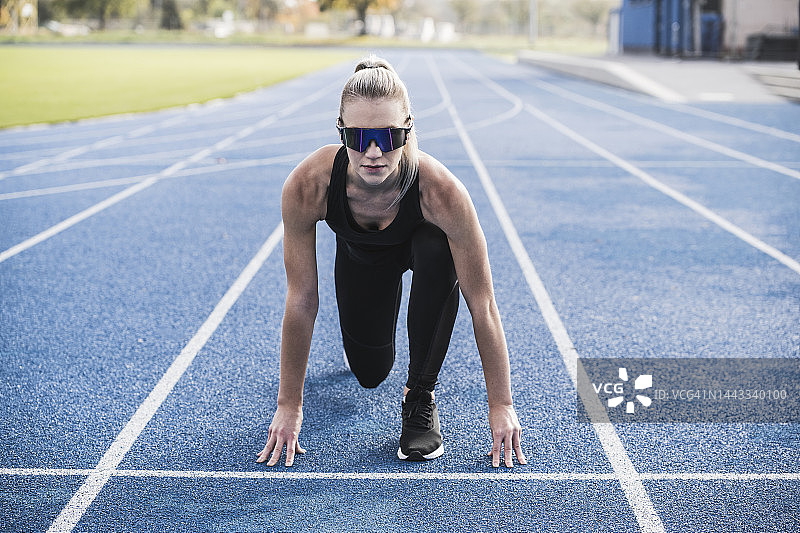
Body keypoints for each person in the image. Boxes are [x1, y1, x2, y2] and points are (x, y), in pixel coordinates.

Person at [256, 55, 526, 468]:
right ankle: (368, 345)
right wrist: (289, 404)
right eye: (360, 137)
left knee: (439, 248)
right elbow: (302, 299)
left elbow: (483, 302)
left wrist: (501, 404)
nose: (374, 152)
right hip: (360, 260)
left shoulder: (442, 193)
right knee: (370, 373)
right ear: (341, 132)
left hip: (424, 253)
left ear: (407, 130)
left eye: (388, 135)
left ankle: (419, 396)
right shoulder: (308, 185)